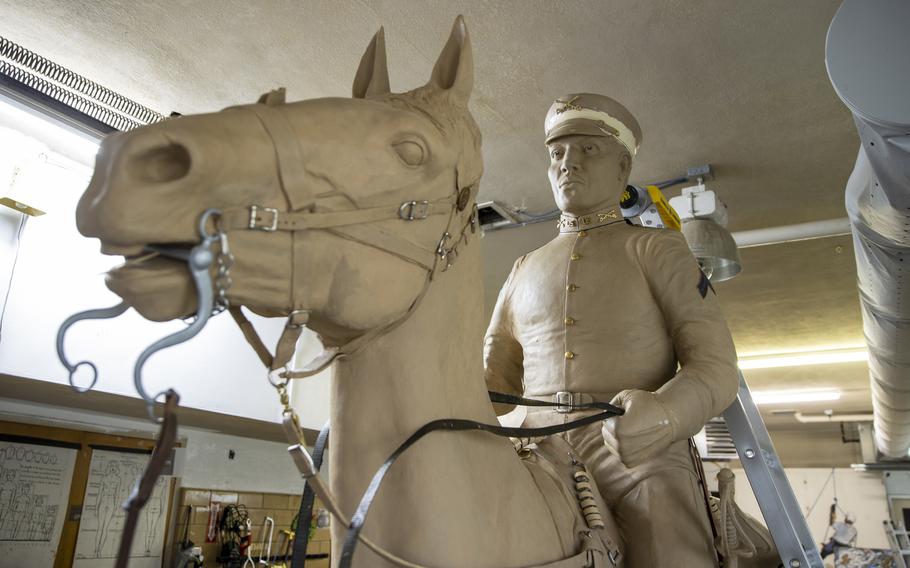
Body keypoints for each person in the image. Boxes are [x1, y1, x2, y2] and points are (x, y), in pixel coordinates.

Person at [484, 93, 739, 567]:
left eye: (588, 150)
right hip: (534, 451)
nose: (568, 164)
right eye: (557, 154)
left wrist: (664, 414)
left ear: (622, 168)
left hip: (640, 455)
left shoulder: (657, 250)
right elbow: (494, 384)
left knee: (675, 553)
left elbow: (716, 366)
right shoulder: (521, 269)